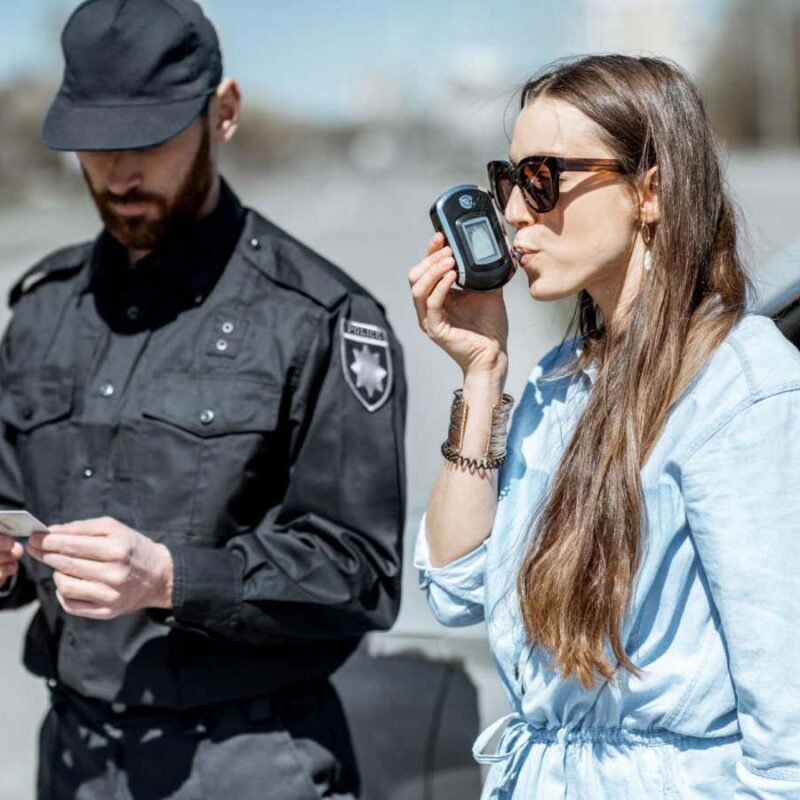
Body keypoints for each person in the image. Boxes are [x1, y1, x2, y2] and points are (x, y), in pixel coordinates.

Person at [0, 1, 406, 798]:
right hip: (74, 761)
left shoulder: (319, 317)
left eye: (147, 140)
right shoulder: (41, 309)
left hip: (250, 759)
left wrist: (170, 578)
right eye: (96, 144)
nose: (118, 174)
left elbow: (361, 573)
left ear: (222, 114)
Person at [409, 54, 800, 798]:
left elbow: (789, 744)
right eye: (508, 180)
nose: (516, 213)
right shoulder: (563, 379)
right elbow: (457, 587)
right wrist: (483, 374)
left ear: (649, 191)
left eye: (542, 179)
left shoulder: (742, 393)